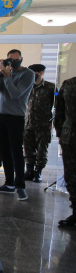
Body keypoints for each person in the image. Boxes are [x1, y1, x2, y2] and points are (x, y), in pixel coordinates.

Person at [0, 49, 35, 200]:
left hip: (16, 116)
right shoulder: (6, 73)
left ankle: (20, 185)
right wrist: (1, 74)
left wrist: (8, 76)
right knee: (4, 151)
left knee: (16, 151)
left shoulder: (28, 74)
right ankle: (9, 183)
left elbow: (16, 94)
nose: (14, 62)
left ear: (21, 59)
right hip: (0, 115)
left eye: (17, 59)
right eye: (11, 60)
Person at [24, 64, 56, 183]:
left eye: (37, 73)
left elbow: (57, 106)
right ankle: (29, 171)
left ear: (41, 73)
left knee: (42, 151)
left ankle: (38, 172)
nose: (34, 75)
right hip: (28, 124)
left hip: (43, 125)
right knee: (28, 149)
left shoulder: (51, 87)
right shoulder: (27, 86)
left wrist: (53, 122)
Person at [55, 74, 76, 227]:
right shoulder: (68, 85)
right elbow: (59, 112)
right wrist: (60, 133)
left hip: (69, 137)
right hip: (69, 138)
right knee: (71, 178)